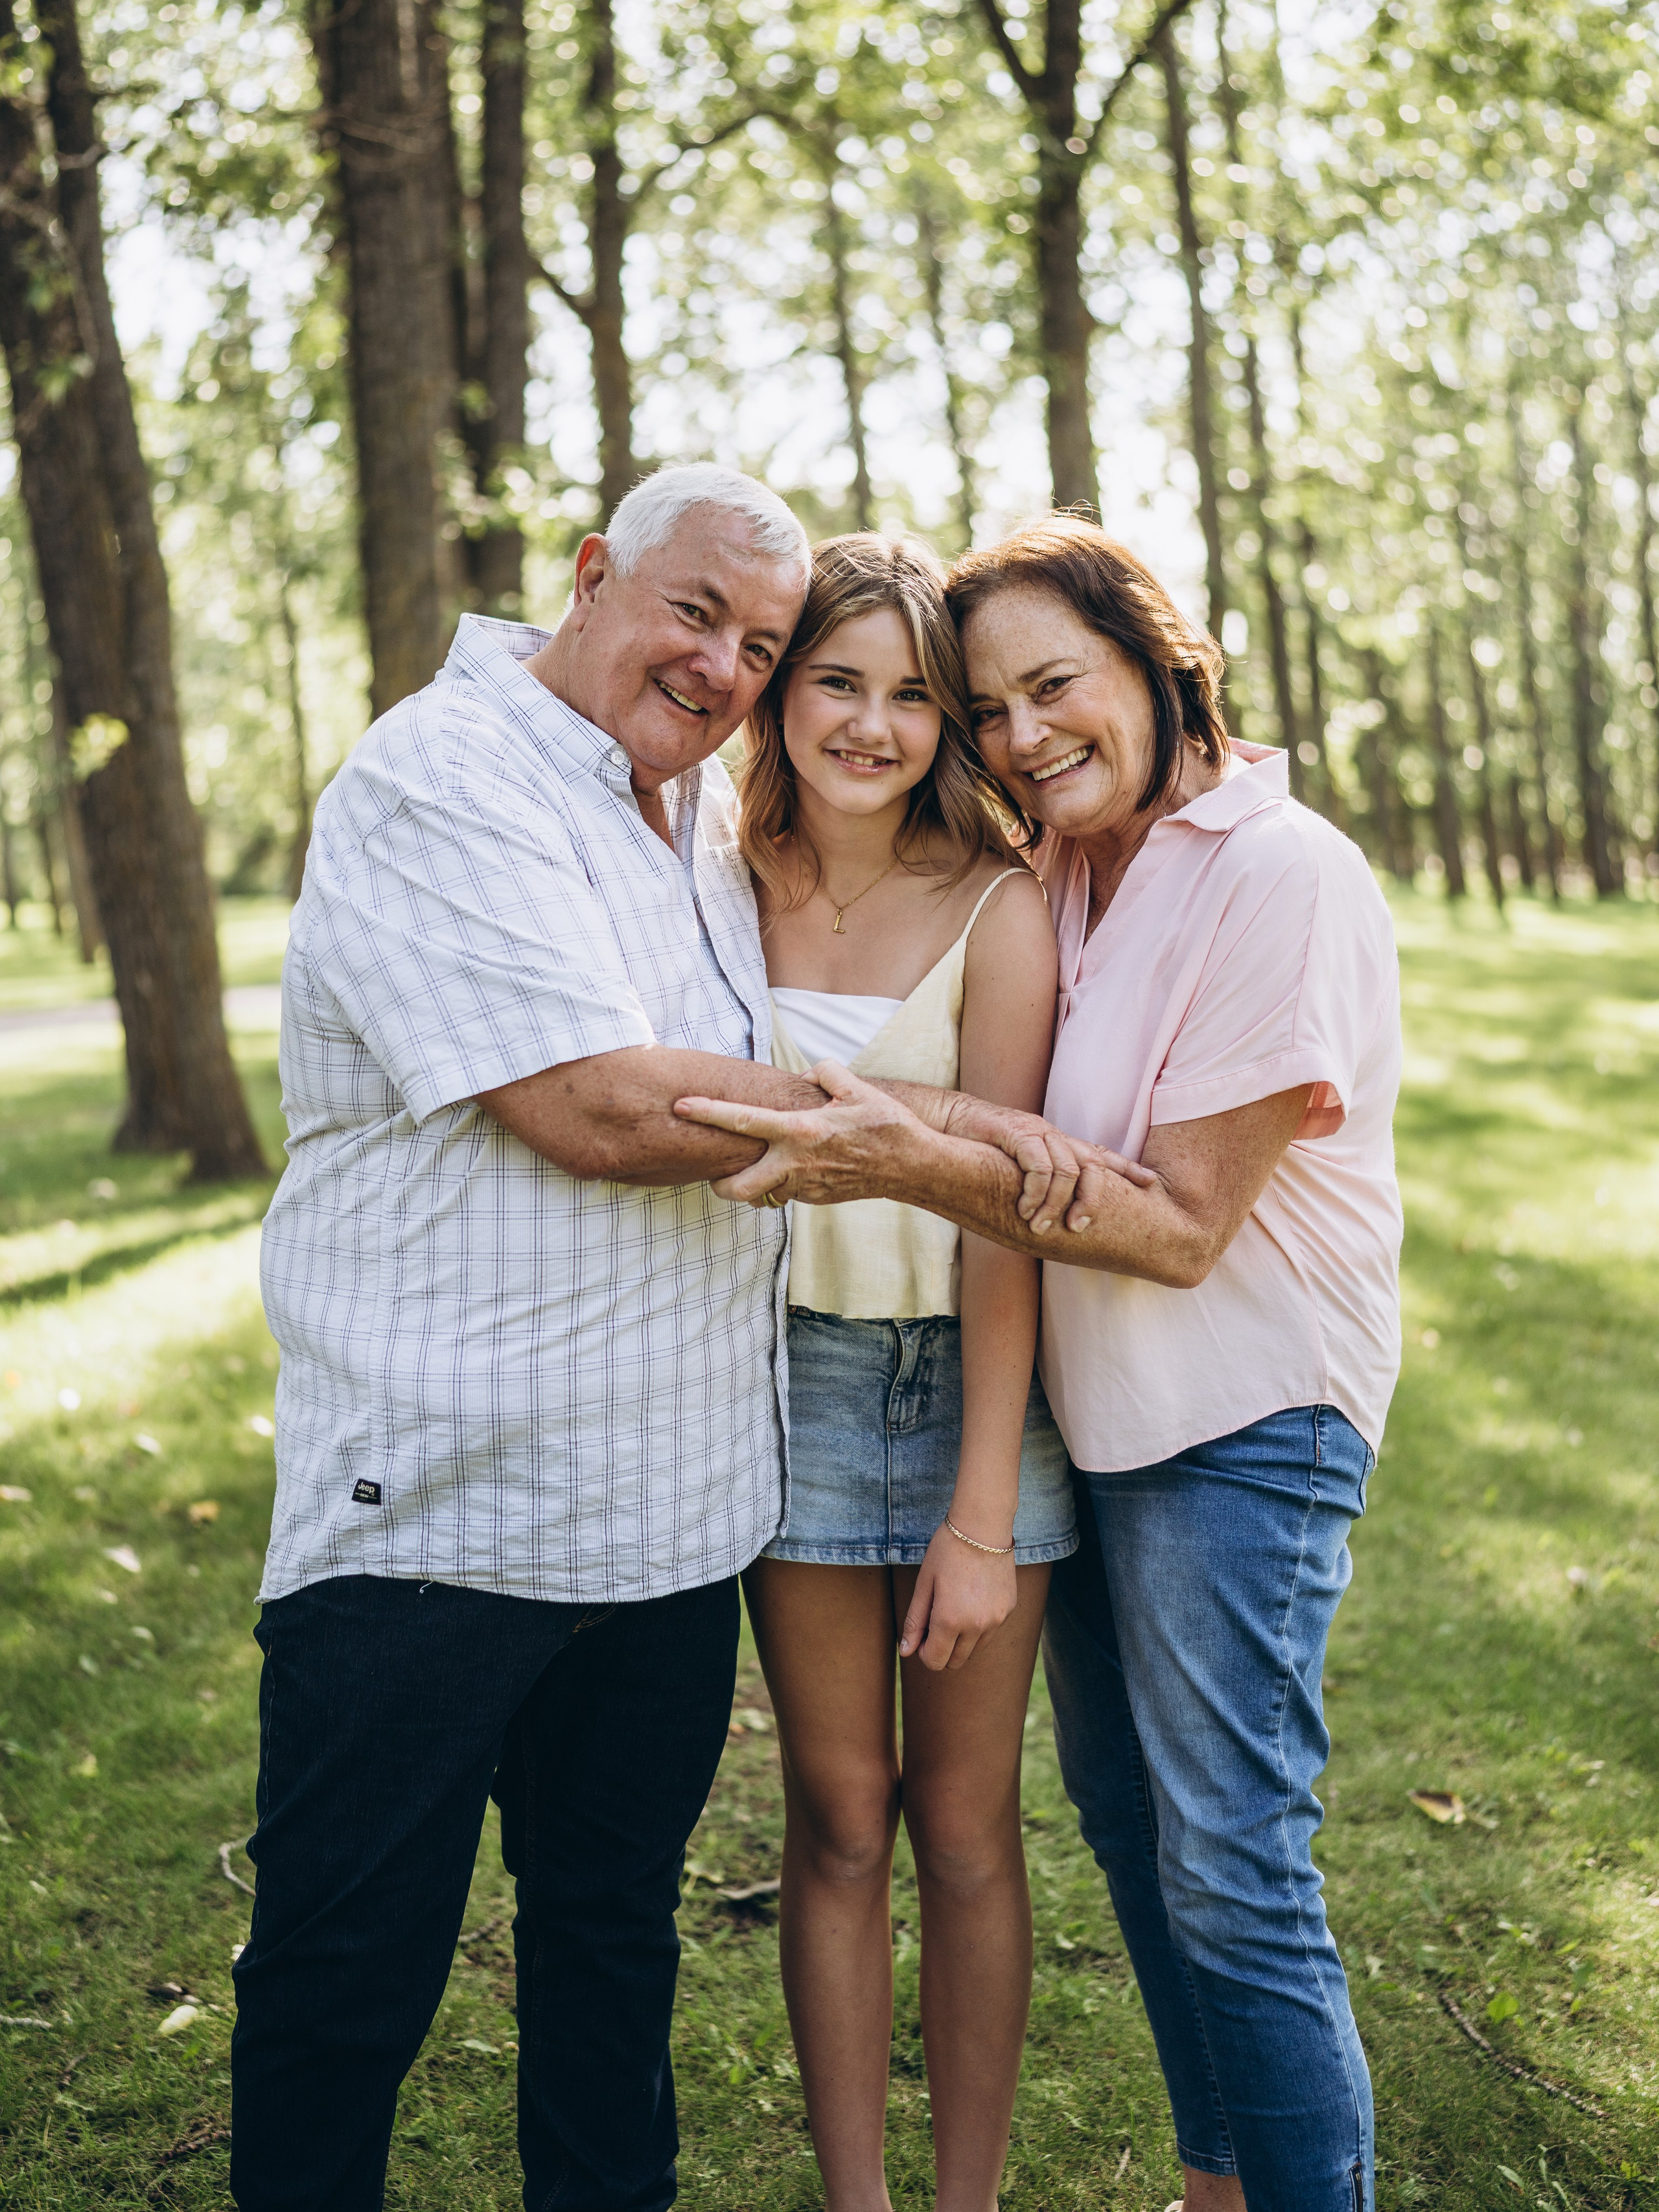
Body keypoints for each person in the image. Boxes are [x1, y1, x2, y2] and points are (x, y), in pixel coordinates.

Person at [675, 515, 1404, 2212]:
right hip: (1091, 1404)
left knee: (1228, 1865)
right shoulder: (1087, 861)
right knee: (1137, 1833)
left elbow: (1172, 1223)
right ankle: (1219, 2181)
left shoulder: (1275, 871)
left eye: (1041, 689)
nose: (1016, 735)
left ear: (1155, 658)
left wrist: (895, 1138)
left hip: (1247, 1414)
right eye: (987, 706)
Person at [238, 463, 848, 2212]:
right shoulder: (442, 777)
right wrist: (910, 1127)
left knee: (609, 1956)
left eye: (760, 641)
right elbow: (590, 1105)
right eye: (693, 612)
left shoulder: (714, 819)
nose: (724, 665)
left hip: (664, 1520)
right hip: (438, 1518)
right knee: (347, 1987)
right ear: (592, 577)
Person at [736, 533, 1075, 2212]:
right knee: (838, 1815)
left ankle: (966, 2204)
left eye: (913, 697)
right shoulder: (712, 876)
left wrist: (981, 1508)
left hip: (967, 1385)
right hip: (776, 1385)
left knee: (962, 1823)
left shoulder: (997, 908)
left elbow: (1006, 1214)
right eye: (838, 682)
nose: (871, 725)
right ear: (783, 691)